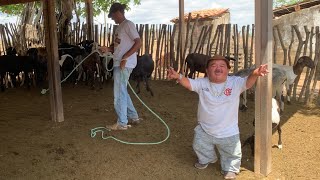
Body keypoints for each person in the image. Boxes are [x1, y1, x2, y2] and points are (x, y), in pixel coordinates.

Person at [167, 55, 268, 179]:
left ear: (228, 70)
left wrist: (255, 73)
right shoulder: (202, 82)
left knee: (231, 153)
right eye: (213, 66)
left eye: (222, 66)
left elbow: (248, 82)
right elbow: (189, 84)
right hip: (205, 129)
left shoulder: (235, 82)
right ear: (207, 70)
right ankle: (207, 158)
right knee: (199, 145)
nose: (218, 68)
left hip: (229, 131)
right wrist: (178, 76)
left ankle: (230, 168)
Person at [104, 2, 142, 131]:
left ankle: (122, 123)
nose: (112, 18)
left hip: (125, 64)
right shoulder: (119, 28)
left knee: (119, 94)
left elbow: (138, 42)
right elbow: (117, 47)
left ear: (118, 12)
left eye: (113, 16)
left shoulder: (128, 25)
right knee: (122, 91)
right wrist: (107, 49)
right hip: (118, 63)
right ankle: (133, 116)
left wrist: (125, 57)